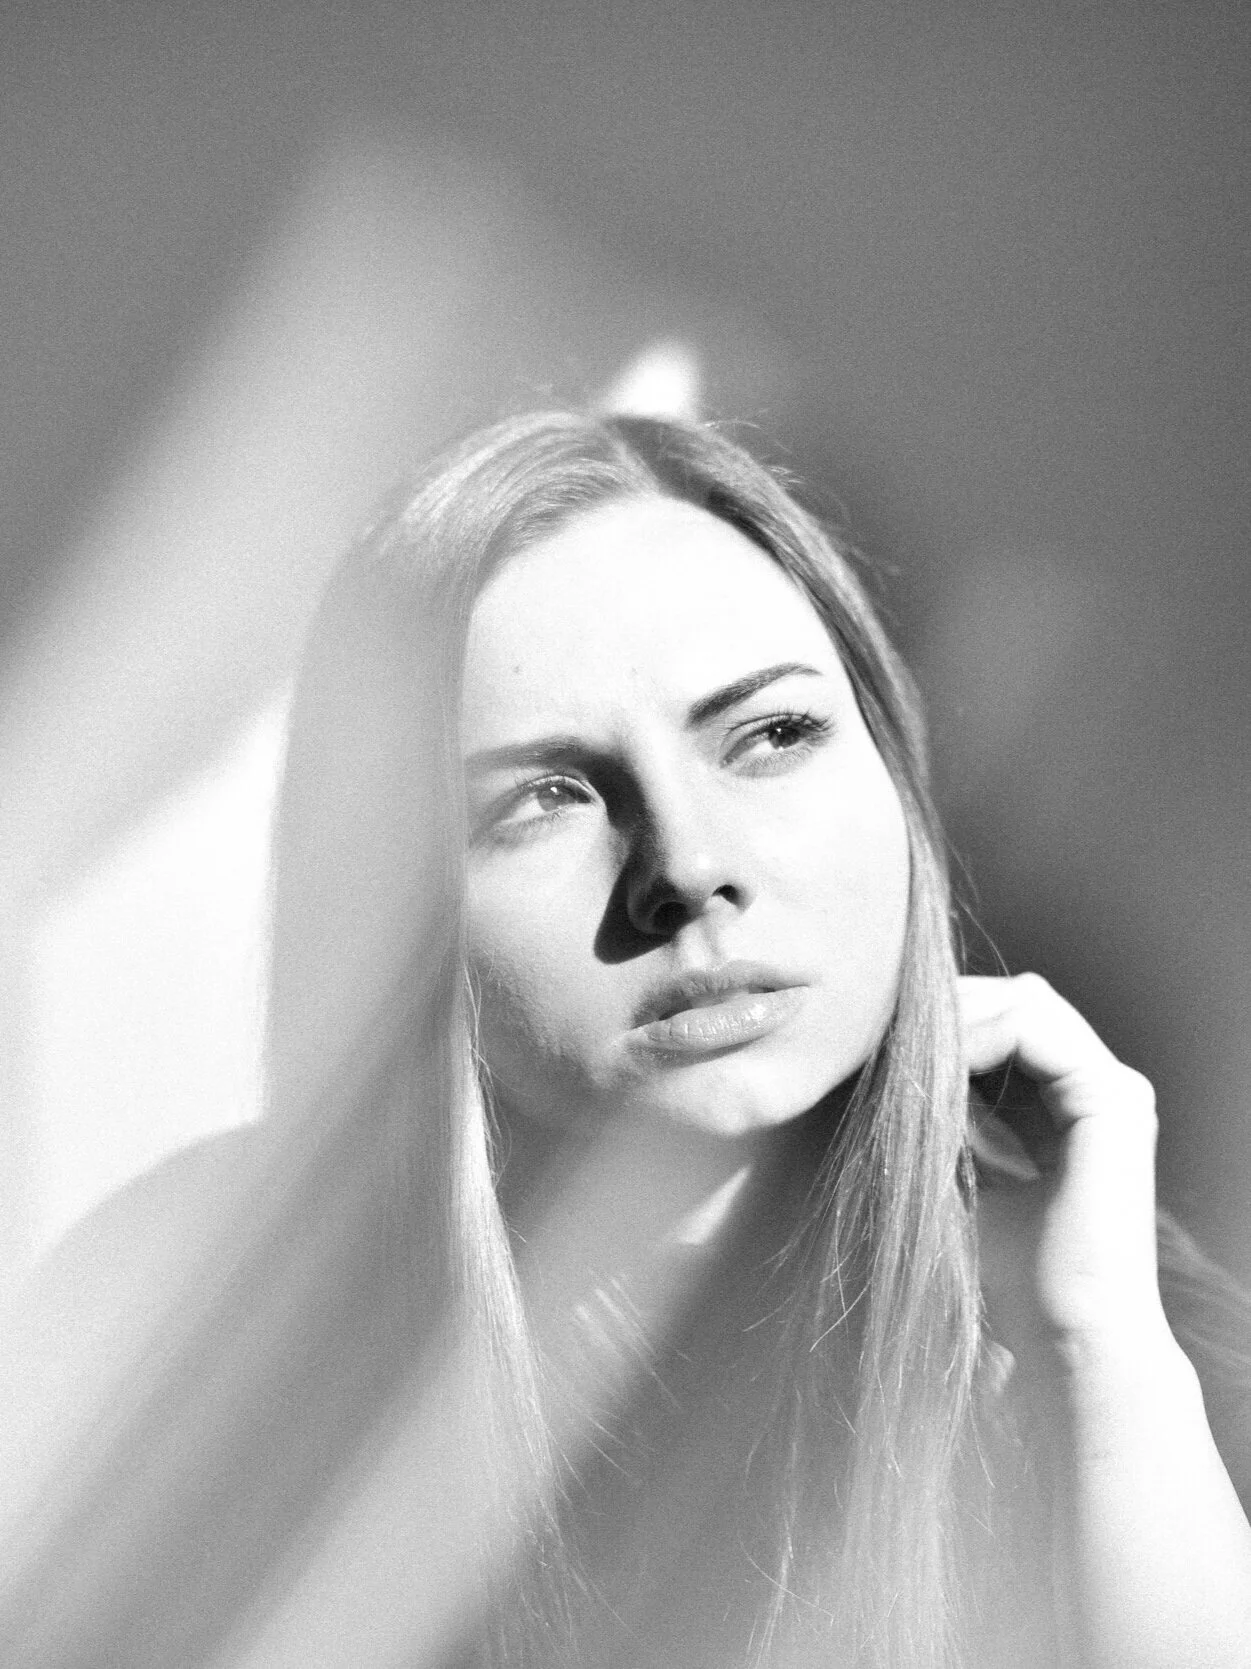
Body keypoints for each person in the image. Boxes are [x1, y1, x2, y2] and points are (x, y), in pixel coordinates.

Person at [2, 410, 1250, 1669]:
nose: (689, 866)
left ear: (899, 784)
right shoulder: (196, 1342)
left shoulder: (1127, 1325)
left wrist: (1108, 1368)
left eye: (772, 736)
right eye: (543, 797)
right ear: (394, 904)